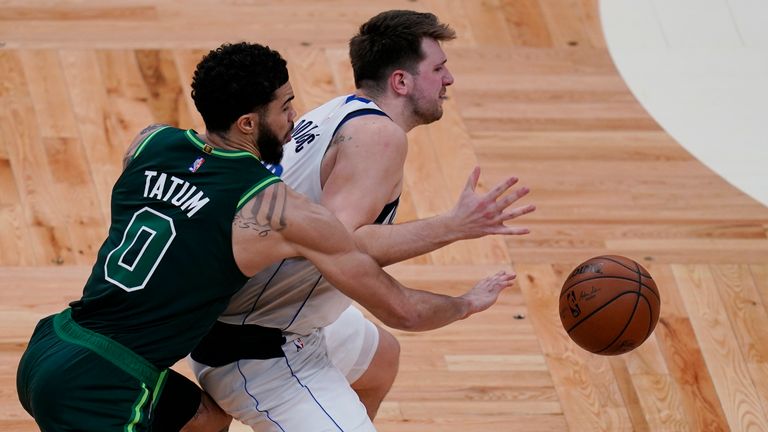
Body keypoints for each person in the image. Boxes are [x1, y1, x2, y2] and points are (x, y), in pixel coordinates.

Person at [15, 41, 517, 432]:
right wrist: (465, 304)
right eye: (286, 106)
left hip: (55, 340)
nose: (296, 118)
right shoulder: (272, 209)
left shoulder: (149, 142)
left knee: (207, 420)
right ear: (249, 122)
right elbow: (401, 308)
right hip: (99, 384)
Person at [188, 10, 536, 432]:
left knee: (380, 359)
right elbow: (344, 243)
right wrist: (456, 226)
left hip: (249, 311)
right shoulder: (379, 136)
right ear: (401, 82)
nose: (449, 80)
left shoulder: (339, 110)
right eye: (439, 68)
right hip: (253, 347)